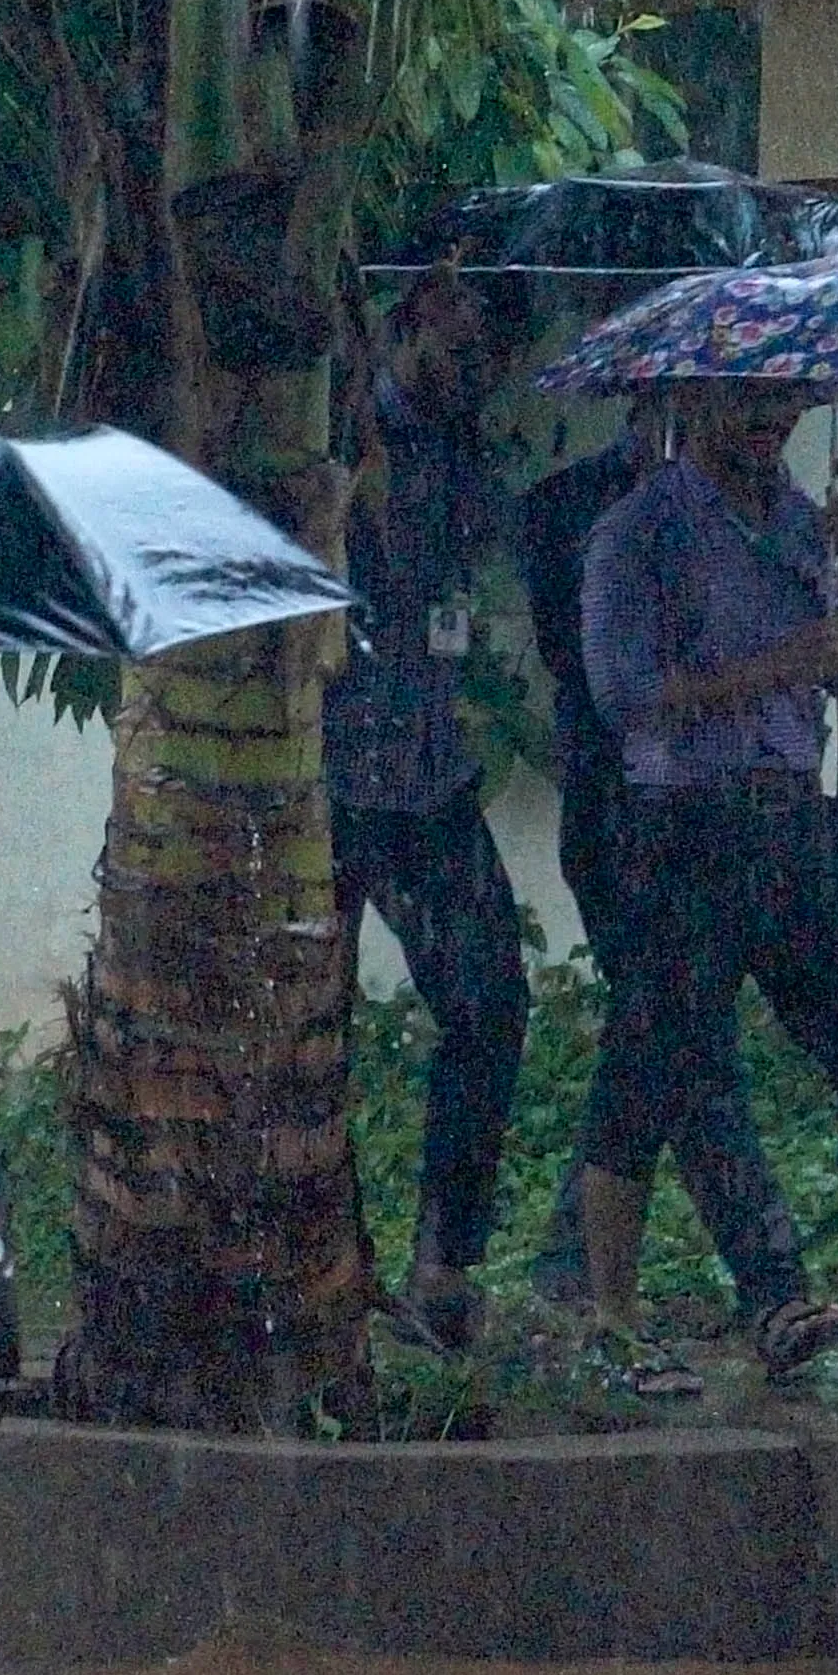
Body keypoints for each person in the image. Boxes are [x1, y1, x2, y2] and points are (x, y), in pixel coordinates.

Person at [576, 381, 838, 1386]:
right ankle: (614, 1324)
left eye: (792, 399)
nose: (775, 418)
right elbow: (623, 694)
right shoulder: (641, 531)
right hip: (681, 824)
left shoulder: (807, 525)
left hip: (794, 819)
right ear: (695, 396)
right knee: (654, 1066)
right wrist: (774, 664)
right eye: (751, 399)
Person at [518, 409, 810, 1346]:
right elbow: (606, 685)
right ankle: (765, 1283)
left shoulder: (772, 512)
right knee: (679, 1040)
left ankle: (583, 1266)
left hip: (724, 809)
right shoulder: (591, 513)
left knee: (668, 1039)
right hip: (624, 809)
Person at [329, 263, 535, 1351]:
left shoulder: (463, 455)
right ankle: (331, 1260)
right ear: (410, 319)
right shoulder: (331, 423)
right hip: (320, 779)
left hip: (426, 779)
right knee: (309, 1030)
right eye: (459, 351)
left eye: (491, 363)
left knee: (492, 1003)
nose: (474, 376)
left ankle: (445, 1264)